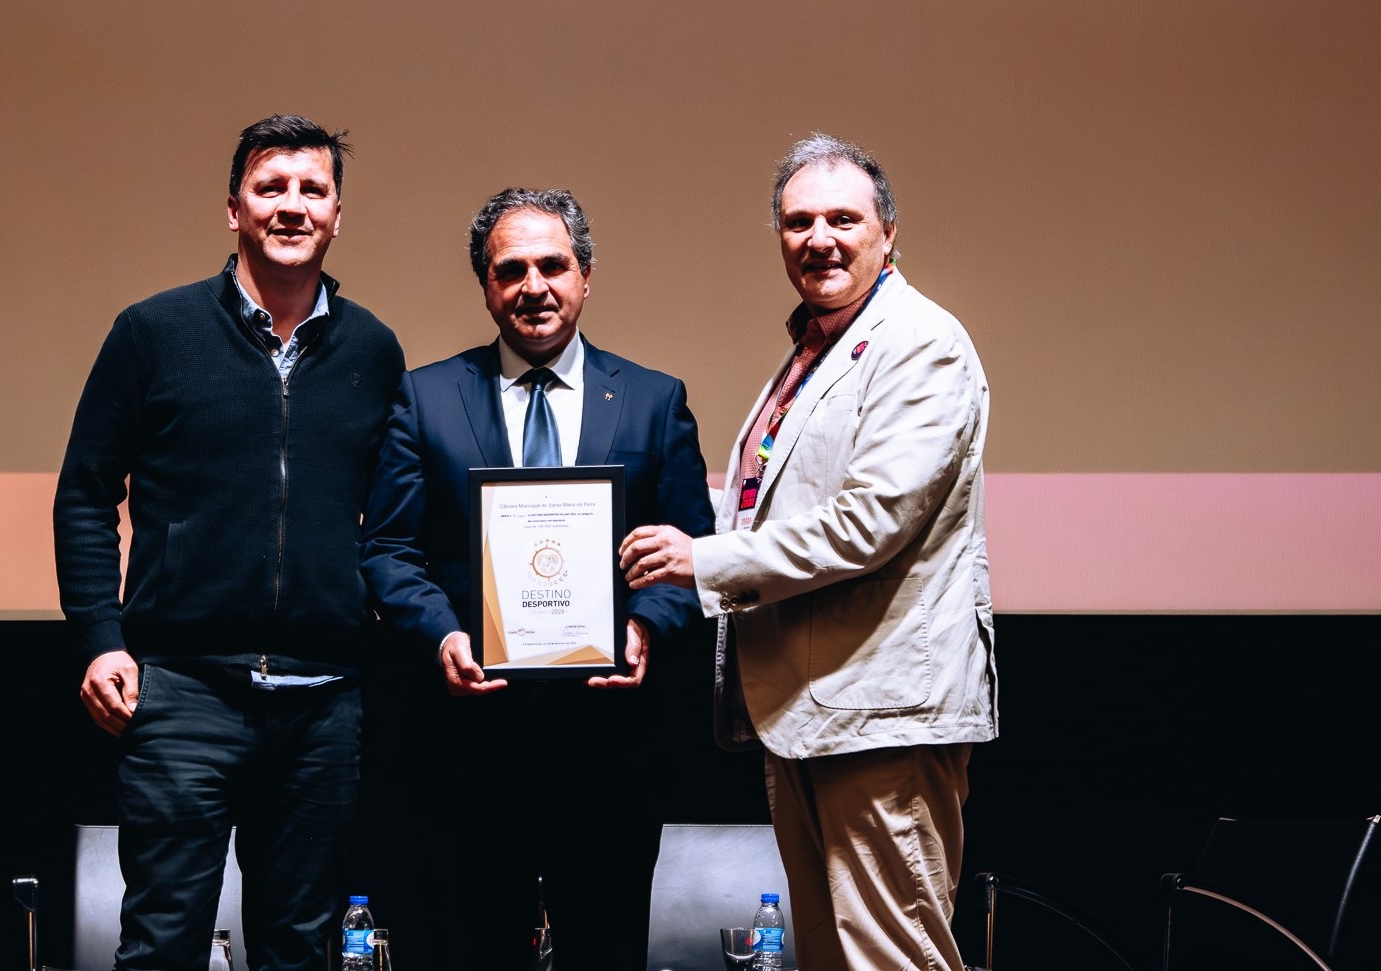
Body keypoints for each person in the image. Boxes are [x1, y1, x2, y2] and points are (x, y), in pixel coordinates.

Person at [619, 134, 997, 970]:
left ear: (888, 231)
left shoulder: (920, 342)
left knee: (892, 956)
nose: (818, 238)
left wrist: (704, 560)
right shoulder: (817, 348)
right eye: (797, 222)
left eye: (842, 219)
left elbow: (871, 520)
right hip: (815, 713)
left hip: (882, 717)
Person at [53, 114, 404, 971]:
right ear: (233, 209)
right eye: (269, 186)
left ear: (336, 215)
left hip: (322, 702)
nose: (292, 205)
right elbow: (85, 494)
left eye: (312, 189)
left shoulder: (373, 350)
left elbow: (394, 522)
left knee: (298, 949)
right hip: (182, 694)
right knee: (161, 944)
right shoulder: (152, 332)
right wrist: (100, 639)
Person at [360, 187, 714, 970]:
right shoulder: (426, 397)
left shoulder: (654, 401)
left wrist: (645, 625)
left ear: (585, 275)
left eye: (552, 265)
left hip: (610, 745)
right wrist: (442, 635)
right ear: (485, 286)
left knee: (606, 950)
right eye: (509, 270)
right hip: (469, 746)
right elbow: (388, 549)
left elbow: (689, 553)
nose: (533, 286)